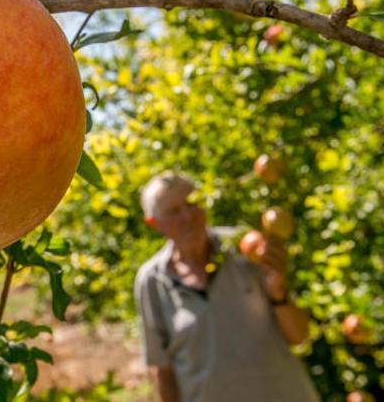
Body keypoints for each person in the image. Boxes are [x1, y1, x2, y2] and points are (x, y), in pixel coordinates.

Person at [134, 172, 320, 401]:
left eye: (193, 203)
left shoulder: (245, 249)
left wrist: (278, 292)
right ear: (154, 223)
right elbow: (161, 370)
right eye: (174, 211)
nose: (188, 216)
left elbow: (300, 336)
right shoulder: (152, 281)